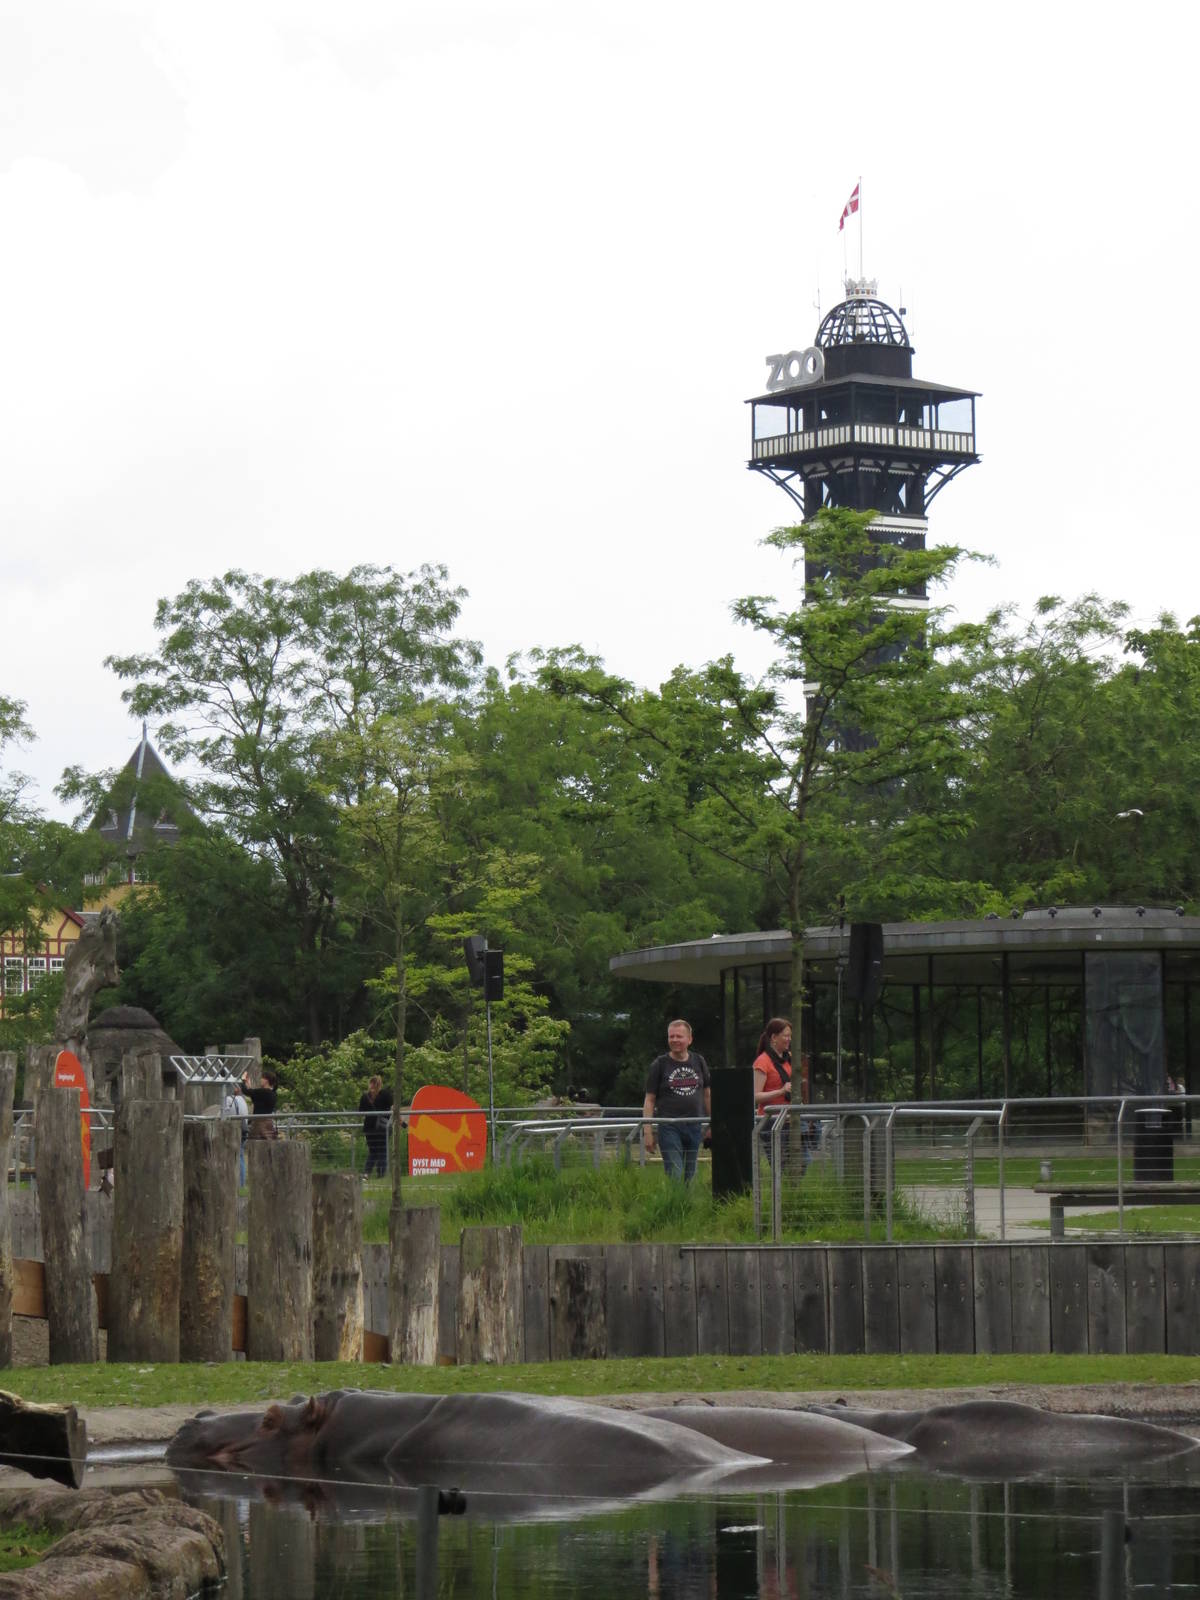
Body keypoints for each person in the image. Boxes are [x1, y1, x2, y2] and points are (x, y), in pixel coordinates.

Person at [643, 1019, 711, 1182]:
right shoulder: (660, 1064)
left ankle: (685, 1206)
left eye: (679, 1036)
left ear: (689, 1039)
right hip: (669, 1126)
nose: (674, 1040)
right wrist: (647, 1131)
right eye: (671, 1036)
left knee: (690, 1174)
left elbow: (707, 1094)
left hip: (694, 1125)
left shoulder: (699, 1061)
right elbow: (650, 1099)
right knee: (675, 1172)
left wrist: (712, 1123)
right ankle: (674, 1205)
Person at [359, 1074, 393, 1179]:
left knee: (373, 1151)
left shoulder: (365, 1097)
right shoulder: (386, 1094)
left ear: (370, 1084)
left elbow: (361, 1112)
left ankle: (367, 1173)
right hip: (383, 1128)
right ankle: (381, 1174)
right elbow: (392, 1109)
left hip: (369, 1128)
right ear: (380, 1084)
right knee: (382, 1151)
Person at [222, 1079, 251, 1184]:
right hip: (244, 1130)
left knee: (231, 1156)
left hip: (233, 1131)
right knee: (241, 1156)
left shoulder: (228, 1100)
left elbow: (224, 1115)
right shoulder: (242, 1100)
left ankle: (233, 1182)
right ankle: (241, 1183)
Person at [242, 1068, 279, 1140]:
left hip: (259, 1123)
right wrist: (248, 1085)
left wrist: (243, 1080)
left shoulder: (265, 1092)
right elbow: (254, 1096)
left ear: (266, 1080)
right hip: (268, 1123)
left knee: (254, 1143)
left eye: (262, 1078)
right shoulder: (272, 1093)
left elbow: (246, 1092)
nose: (260, 1080)